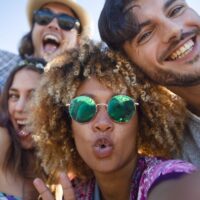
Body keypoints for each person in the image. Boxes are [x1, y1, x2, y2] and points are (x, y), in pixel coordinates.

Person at [29, 41, 199, 200]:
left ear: (141, 121)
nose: (102, 123)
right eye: (84, 108)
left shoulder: (169, 176)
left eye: (120, 107)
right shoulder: (75, 192)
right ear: (68, 126)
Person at [98, 0, 200, 167]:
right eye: (146, 34)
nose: (174, 30)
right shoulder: (172, 157)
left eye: (176, 10)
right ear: (133, 70)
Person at [0, 0, 92, 91]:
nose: (53, 25)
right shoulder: (3, 64)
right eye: (43, 16)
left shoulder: (88, 88)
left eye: (66, 22)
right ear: (33, 29)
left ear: (78, 41)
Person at [0, 58, 46, 199]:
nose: (19, 107)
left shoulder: (66, 166)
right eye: (14, 95)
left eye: (33, 96)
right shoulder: (3, 138)